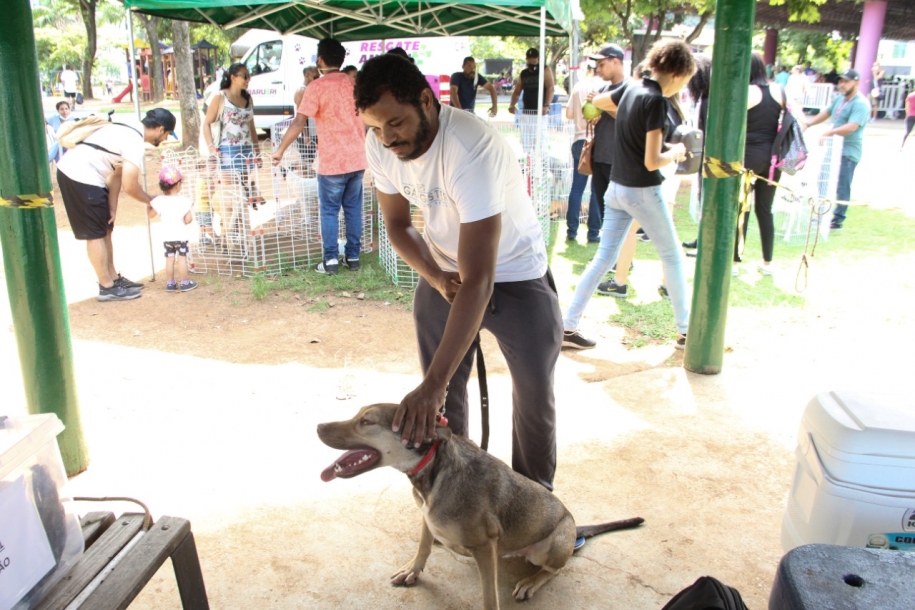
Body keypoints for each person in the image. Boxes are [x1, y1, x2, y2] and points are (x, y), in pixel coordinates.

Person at [355, 53, 563, 493]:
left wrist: (431, 384)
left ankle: (533, 502)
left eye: (395, 123)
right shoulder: (379, 145)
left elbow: (481, 280)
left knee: (532, 394)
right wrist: (434, 277)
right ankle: (457, 492)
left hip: (514, 272)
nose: (387, 138)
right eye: (375, 127)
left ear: (427, 101)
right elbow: (397, 225)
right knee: (443, 399)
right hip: (445, 267)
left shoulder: (470, 146)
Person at [561, 38, 694, 351]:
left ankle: (568, 325)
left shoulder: (631, 88)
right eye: (685, 81)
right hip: (641, 189)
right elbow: (652, 160)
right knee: (673, 257)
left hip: (616, 190)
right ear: (677, 74)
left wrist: (627, 116)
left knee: (602, 258)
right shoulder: (657, 100)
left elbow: (601, 102)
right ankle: (686, 331)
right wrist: (675, 152)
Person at [56, 108, 177, 301]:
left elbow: (117, 174)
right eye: (167, 134)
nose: (165, 139)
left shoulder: (128, 128)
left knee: (105, 228)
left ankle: (113, 278)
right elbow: (130, 186)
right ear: (160, 129)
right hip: (79, 175)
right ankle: (106, 287)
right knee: (95, 233)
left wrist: (111, 208)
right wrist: (151, 200)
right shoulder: (134, 140)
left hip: (92, 177)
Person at [271, 38, 367, 275]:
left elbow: (298, 122)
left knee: (329, 211)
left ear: (320, 60)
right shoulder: (355, 85)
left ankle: (331, 260)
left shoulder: (316, 87)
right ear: (342, 59)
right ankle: (353, 257)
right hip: (357, 159)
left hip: (332, 162)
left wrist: (280, 150)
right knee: (353, 209)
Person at [733, 52, 787, 277]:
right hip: (774, 160)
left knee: (741, 211)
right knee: (765, 211)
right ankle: (767, 263)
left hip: (749, 159)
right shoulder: (779, 91)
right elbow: (799, 120)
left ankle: (735, 264)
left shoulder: (747, 92)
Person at [803, 69, 870, 230]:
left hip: (848, 151)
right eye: (841, 81)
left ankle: (838, 219)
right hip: (833, 148)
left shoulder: (861, 103)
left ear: (856, 83)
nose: (842, 84)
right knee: (823, 181)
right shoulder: (840, 99)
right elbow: (826, 113)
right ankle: (821, 214)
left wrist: (830, 132)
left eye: (846, 81)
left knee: (842, 184)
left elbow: (852, 126)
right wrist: (808, 124)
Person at [581, 44, 628, 244]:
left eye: (602, 65)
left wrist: (602, 105)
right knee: (604, 211)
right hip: (600, 158)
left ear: (616, 62)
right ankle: (611, 258)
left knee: (619, 215)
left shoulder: (630, 88)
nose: (598, 70)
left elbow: (628, 118)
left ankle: (623, 261)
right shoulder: (603, 89)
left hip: (619, 161)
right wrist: (594, 116)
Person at [202, 62, 266, 209]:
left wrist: (257, 152)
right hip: (227, 151)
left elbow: (252, 127)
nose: (248, 79)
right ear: (233, 77)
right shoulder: (220, 97)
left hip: (246, 150)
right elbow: (206, 124)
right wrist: (211, 148)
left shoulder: (248, 99)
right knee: (231, 193)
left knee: (242, 192)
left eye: (249, 76)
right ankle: (231, 229)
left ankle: (242, 227)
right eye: (244, 76)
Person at [564, 62, 601, 242]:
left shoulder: (579, 86)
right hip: (598, 141)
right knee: (596, 190)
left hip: (580, 139)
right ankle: (593, 232)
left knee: (577, 188)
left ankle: (572, 231)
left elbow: (569, 114)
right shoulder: (603, 87)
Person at [149, 167, 198, 293]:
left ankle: (170, 283)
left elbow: (151, 215)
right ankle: (184, 282)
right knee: (182, 258)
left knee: (169, 259)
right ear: (178, 185)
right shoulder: (184, 201)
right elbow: (188, 219)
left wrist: (149, 204)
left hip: (167, 236)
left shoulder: (158, 201)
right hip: (180, 235)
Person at [508, 48, 554, 152]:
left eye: (534, 60)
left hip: (540, 113)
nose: (532, 63)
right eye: (529, 60)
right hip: (526, 113)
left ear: (538, 59)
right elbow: (517, 91)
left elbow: (550, 88)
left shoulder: (545, 69)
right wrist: (512, 105)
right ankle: (528, 165)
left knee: (541, 143)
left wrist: (546, 105)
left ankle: (541, 165)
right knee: (526, 143)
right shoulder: (523, 73)